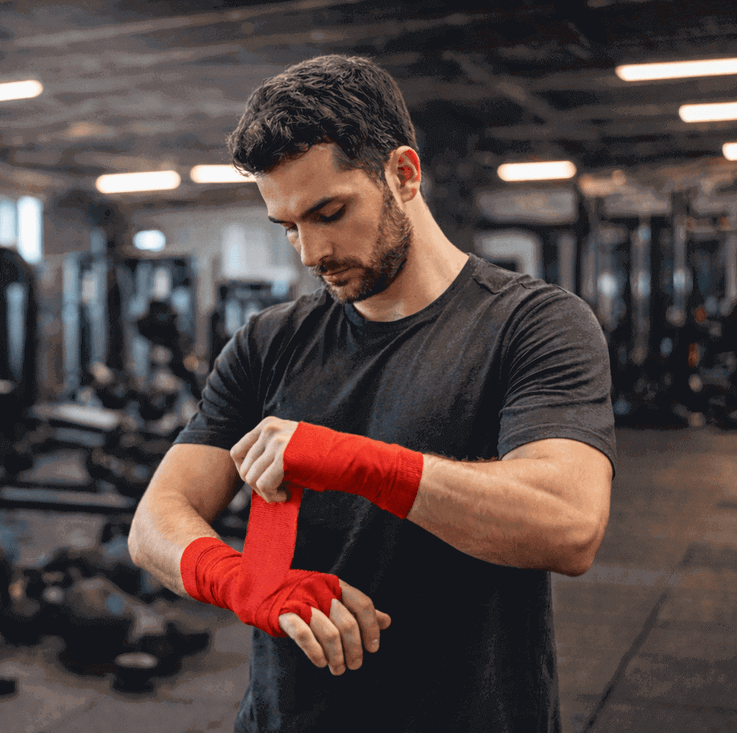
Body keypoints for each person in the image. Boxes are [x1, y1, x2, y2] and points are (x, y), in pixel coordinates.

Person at [127, 54, 615, 732]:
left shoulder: (533, 325)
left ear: (404, 174)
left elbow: (570, 524)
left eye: (330, 212)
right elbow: (155, 521)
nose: (308, 252)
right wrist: (247, 583)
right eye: (289, 226)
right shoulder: (269, 342)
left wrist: (354, 460)